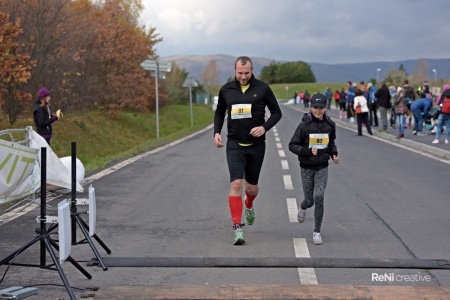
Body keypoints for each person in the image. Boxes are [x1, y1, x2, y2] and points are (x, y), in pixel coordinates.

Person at [213, 56, 282, 245]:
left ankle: (249, 203)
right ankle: (237, 228)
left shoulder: (262, 88)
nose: (243, 77)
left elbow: (277, 112)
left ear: (252, 71)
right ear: (234, 70)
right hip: (234, 144)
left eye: (247, 73)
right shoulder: (226, 90)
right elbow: (219, 112)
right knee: (236, 184)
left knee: (251, 188)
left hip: (256, 145)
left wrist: (264, 128)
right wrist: (216, 132)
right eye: (240, 73)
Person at [288, 93, 339, 245]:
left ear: (325, 108)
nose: (318, 111)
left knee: (319, 196)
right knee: (310, 200)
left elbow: (331, 144)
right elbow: (292, 145)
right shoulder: (304, 126)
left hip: (322, 167)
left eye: (321, 108)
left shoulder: (330, 125)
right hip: (306, 167)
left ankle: (317, 231)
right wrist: (307, 151)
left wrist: (334, 154)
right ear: (310, 108)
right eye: (315, 108)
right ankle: (303, 206)